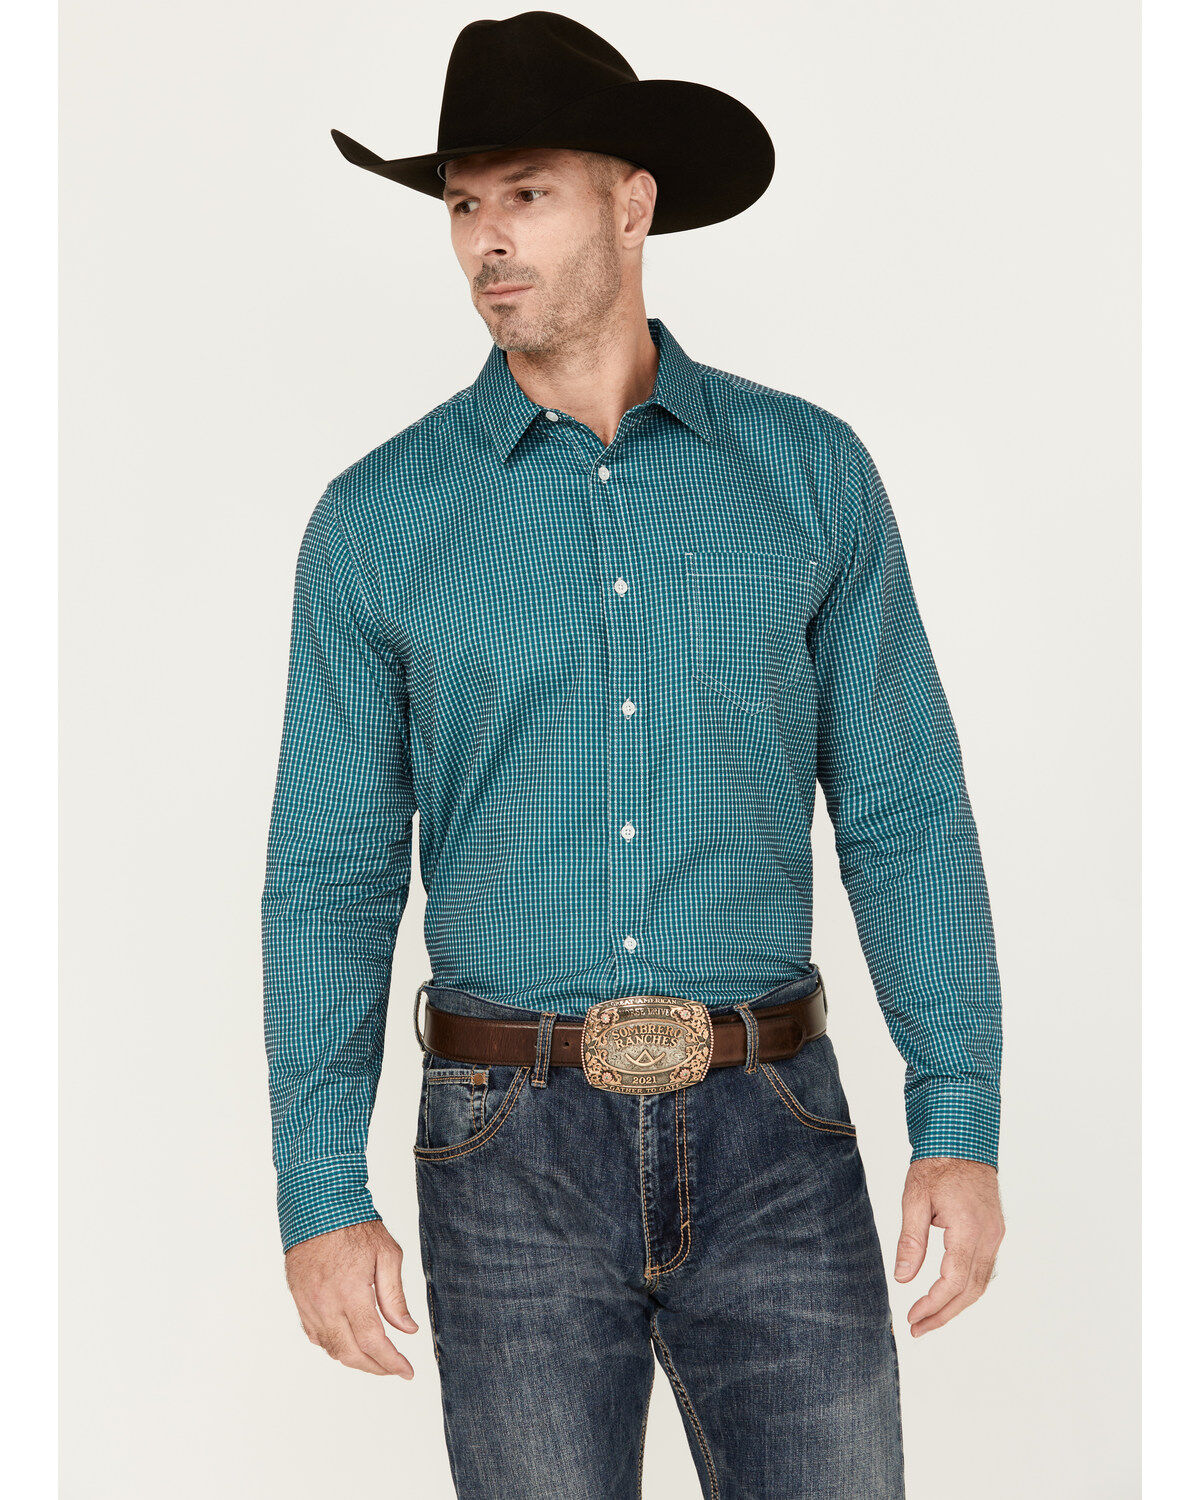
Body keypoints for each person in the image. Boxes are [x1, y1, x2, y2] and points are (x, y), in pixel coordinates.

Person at [261, 12, 1005, 1497]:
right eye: (463, 204)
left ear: (633, 202)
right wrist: (317, 1188)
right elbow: (332, 876)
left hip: (775, 1131)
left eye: (527, 194)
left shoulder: (807, 475)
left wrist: (960, 1119)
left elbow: (904, 809)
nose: (487, 241)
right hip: (506, 1150)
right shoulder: (376, 520)